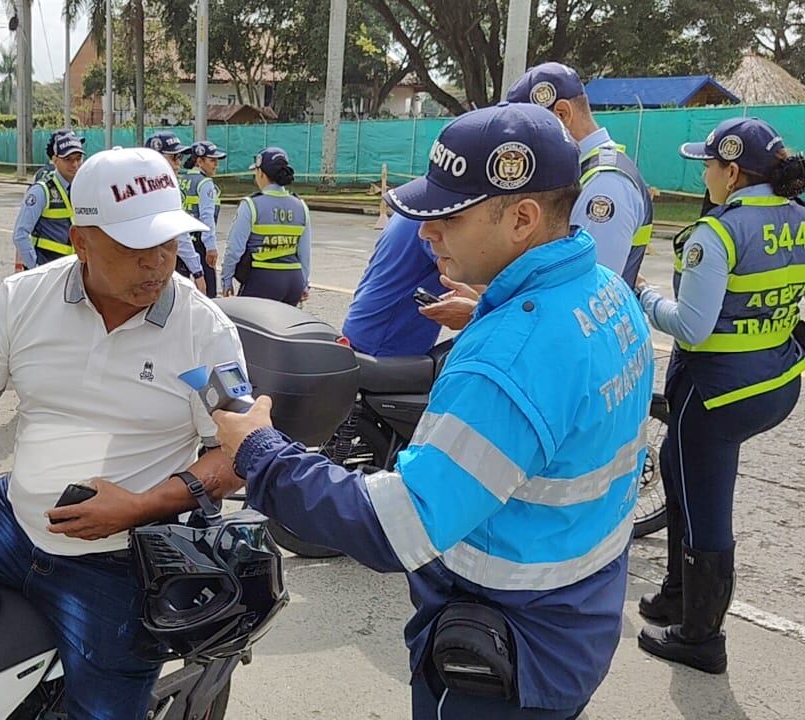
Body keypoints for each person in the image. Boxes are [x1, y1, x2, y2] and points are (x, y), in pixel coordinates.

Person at [213, 103, 652, 719]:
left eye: (451, 215)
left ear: (522, 218)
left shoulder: (507, 361)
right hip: (578, 614)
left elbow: (399, 528)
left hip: (503, 651)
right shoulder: (607, 293)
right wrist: (491, 314)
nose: (426, 233)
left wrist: (261, 452)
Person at [0, 147, 247, 719]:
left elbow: (236, 453)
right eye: (135, 247)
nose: (158, 264)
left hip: (119, 559)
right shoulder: (25, 300)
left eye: (167, 243)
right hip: (10, 520)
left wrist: (140, 505)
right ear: (81, 241)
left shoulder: (201, 331)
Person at [634, 118, 805, 674]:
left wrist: (646, 298)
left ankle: (701, 638)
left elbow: (691, 327)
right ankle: (677, 593)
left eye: (706, 164)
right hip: (776, 385)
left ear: (731, 173)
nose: (703, 174)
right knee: (676, 467)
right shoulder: (797, 218)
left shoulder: (719, 233)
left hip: (716, 393)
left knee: (707, 505)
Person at [422, 62, 656, 331]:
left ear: (563, 113)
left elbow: (582, 301)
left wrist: (479, 314)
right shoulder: (584, 172)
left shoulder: (604, 185)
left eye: (534, 123)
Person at [341, 214, 447, 357]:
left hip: (368, 323)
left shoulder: (408, 210)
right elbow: (464, 276)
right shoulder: (432, 218)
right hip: (386, 337)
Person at [222, 147, 312, 305]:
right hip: (293, 280)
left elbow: (234, 250)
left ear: (261, 173)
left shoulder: (251, 205)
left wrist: (226, 279)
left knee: (249, 328)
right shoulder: (301, 206)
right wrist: (304, 284)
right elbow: (305, 254)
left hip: (262, 279)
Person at [11, 132, 84, 270]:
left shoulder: (83, 188)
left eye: (78, 158)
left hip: (73, 269)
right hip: (47, 270)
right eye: (68, 159)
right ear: (55, 160)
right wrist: (36, 269)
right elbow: (20, 234)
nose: (75, 164)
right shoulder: (41, 191)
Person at [146, 131, 206, 294]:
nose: (178, 164)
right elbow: (180, 235)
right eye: (173, 158)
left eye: (180, 158)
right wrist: (198, 271)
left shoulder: (138, 187)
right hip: (160, 266)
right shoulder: (164, 191)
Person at [181, 140, 225, 299]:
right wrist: (211, 247)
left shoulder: (182, 180)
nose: (216, 165)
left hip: (183, 243)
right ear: (199, 161)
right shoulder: (205, 183)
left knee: (181, 294)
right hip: (200, 244)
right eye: (212, 161)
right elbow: (207, 217)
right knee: (209, 295)